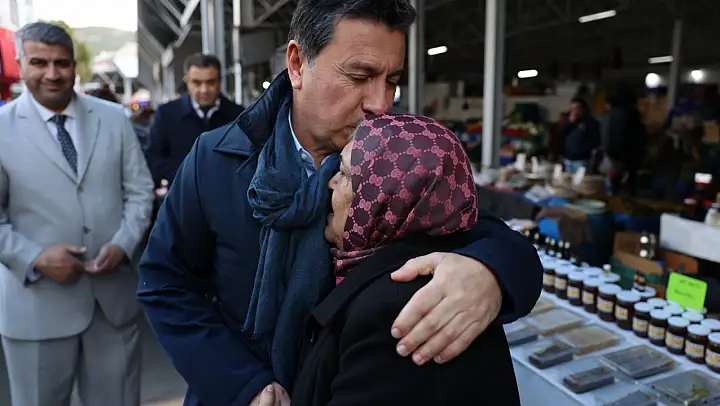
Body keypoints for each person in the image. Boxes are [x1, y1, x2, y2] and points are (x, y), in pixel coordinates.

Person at [137, 1, 542, 405]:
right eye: (360, 76)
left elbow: (491, 234)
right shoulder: (217, 159)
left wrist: (489, 273)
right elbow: (164, 282)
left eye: (392, 80)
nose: (380, 104)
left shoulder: (398, 158)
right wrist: (241, 382)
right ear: (297, 64)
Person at [288, 113, 520, 406]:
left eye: (345, 174)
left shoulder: (402, 312)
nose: (331, 183)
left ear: (386, 199)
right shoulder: (399, 267)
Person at [0, 22, 154, 406]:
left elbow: (140, 192)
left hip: (112, 306)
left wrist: (123, 245)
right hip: (35, 309)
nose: (52, 74)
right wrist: (34, 257)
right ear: (21, 63)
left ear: (74, 65)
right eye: (39, 63)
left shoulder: (114, 118)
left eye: (61, 63)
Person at [145, 53, 244, 186]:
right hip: (182, 193)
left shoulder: (238, 115)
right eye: (196, 83)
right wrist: (184, 178)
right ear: (187, 82)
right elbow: (154, 158)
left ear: (220, 81)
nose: (204, 90)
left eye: (210, 82)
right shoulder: (166, 114)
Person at [561, 97, 600, 173]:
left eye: (577, 108)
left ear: (583, 109)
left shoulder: (590, 122)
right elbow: (562, 133)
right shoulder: (568, 121)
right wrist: (570, 123)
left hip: (581, 160)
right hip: (568, 159)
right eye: (572, 108)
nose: (574, 111)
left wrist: (583, 149)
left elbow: (595, 140)